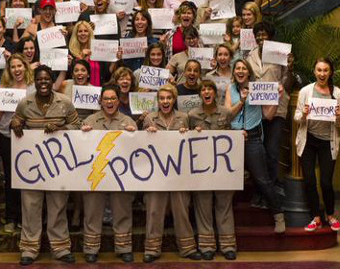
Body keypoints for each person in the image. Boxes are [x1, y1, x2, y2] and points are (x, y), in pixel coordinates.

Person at [10, 65, 81, 265]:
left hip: (58, 165)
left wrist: (61, 127)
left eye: (46, 79)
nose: (43, 82)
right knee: (31, 205)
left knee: (58, 205)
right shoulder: (25, 103)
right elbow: (16, 122)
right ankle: (29, 248)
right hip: (31, 166)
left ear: (52, 81)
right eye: (39, 79)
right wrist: (15, 124)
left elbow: (77, 126)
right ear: (35, 81)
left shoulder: (65, 102)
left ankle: (60, 247)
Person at [224, 59, 286, 234]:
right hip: (233, 138)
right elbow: (228, 115)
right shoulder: (230, 89)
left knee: (263, 179)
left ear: (249, 72)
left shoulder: (258, 89)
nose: (241, 71)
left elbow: (268, 115)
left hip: (253, 138)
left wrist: (276, 100)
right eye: (237, 68)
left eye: (244, 68)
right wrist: (242, 101)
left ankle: (279, 215)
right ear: (234, 72)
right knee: (228, 179)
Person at [142, 84, 201, 262]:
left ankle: (187, 248)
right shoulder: (150, 119)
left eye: (168, 98)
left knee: (182, 209)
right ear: (158, 101)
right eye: (162, 98)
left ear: (174, 99)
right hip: (156, 174)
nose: (165, 101)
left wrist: (190, 133)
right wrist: (147, 133)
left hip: (179, 174)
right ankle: (152, 249)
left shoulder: (184, 117)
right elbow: (140, 146)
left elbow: (192, 143)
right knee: (154, 210)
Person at [80, 84, 137, 263]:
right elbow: (80, 148)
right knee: (92, 211)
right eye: (106, 99)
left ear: (118, 101)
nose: (110, 102)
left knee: (123, 211)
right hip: (95, 175)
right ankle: (90, 248)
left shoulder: (128, 121)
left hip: (121, 177)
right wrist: (83, 134)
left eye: (113, 98)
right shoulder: (89, 120)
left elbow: (137, 150)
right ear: (100, 101)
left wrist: (134, 136)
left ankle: (124, 247)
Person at [294, 58, 340, 232]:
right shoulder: (305, 91)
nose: (322, 74)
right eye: (319, 70)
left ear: (330, 72)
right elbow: (296, 118)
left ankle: (330, 216)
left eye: (325, 70)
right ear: (314, 72)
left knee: (325, 182)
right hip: (308, 140)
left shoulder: (338, 93)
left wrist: (339, 116)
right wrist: (303, 113)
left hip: (327, 143)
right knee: (309, 180)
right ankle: (316, 217)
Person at [188, 79, 237, 260]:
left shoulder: (225, 112)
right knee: (203, 205)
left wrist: (240, 136)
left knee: (224, 205)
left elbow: (231, 134)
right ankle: (207, 245)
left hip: (223, 168)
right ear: (200, 94)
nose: (207, 92)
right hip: (201, 168)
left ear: (215, 94)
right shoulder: (192, 115)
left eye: (210, 89)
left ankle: (228, 245)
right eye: (204, 89)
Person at [246, 21, 294, 200]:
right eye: (258, 34)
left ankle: (271, 191)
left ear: (270, 36)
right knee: (258, 152)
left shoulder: (280, 53)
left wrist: (289, 69)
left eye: (264, 34)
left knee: (272, 151)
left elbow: (287, 82)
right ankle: (261, 191)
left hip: (276, 109)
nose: (260, 37)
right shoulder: (249, 56)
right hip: (256, 109)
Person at [0, 54, 33, 233]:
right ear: (9, 70)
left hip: (28, 138)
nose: (17, 70)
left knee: (27, 179)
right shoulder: (3, 88)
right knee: (10, 179)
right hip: (6, 137)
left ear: (25, 66)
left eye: (19, 66)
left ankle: (25, 218)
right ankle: (11, 218)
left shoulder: (33, 87)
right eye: (13, 67)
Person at [68, 21, 101, 86]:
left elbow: (107, 72)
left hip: (96, 92)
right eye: (80, 31)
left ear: (90, 33)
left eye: (86, 31)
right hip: (77, 92)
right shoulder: (71, 53)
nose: (83, 33)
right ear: (76, 34)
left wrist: (116, 58)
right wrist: (81, 57)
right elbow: (69, 75)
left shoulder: (97, 50)